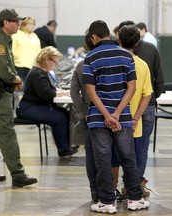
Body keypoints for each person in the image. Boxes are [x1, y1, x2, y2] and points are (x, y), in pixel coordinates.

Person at [83, 20, 149, 213]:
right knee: (128, 157)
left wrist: (107, 115)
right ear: (110, 35)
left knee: (103, 159)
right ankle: (135, 199)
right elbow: (132, 88)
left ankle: (108, 202)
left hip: (98, 117)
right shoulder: (126, 55)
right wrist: (117, 114)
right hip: (123, 116)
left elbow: (91, 91)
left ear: (94, 37)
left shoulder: (90, 56)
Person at [0, 8, 38, 187]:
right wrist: (17, 79)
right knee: (6, 132)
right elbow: (4, 70)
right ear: (6, 22)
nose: (19, 24)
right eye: (16, 21)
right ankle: (18, 174)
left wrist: (12, 79)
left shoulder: (4, 40)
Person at [118, 20, 164, 190]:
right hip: (148, 104)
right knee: (142, 146)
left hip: (123, 107)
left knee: (122, 145)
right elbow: (159, 78)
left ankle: (126, 181)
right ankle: (135, 184)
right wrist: (153, 98)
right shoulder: (151, 50)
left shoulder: (118, 55)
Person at [16, 46, 78, 157]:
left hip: (35, 106)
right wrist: (65, 93)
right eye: (55, 62)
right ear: (47, 60)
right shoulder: (38, 73)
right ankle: (63, 149)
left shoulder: (42, 72)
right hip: (28, 108)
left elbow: (50, 89)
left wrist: (63, 91)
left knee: (64, 113)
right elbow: (46, 94)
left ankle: (66, 146)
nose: (56, 65)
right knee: (58, 118)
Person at [113, 25, 153, 197]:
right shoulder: (142, 65)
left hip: (111, 121)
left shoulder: (112, 61)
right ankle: (132, 192)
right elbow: (146, 95)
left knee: (112, 161)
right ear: (137, 42)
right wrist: (136, 117)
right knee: (132, 162)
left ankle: (110, 193)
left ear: (118, 40)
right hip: (134, 125)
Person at [70, 32, 98, 201]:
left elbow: (74, 92)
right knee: (108, 154)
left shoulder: (81, 65)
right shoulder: (111, 61)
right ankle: (109, 190)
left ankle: (94, 191)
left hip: (88, 115)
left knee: (90, 153)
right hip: (109, 115)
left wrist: (83, 112)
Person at [12, 16, 41, 81]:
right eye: (30, 24)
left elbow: (38, 50)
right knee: (20, 86)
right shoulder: (17, 35)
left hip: (32, 65)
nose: (32, 26)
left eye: (33, 24)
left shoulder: (34, 36)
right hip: (19, 65)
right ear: (24, 25)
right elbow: (11, 49)